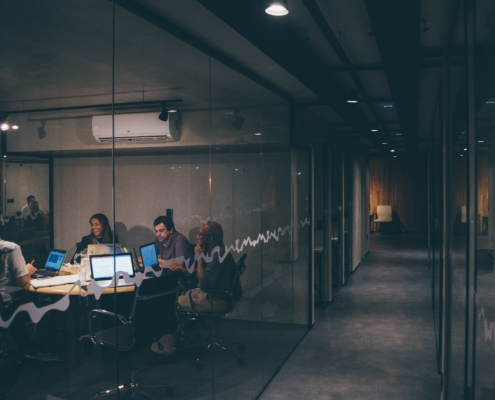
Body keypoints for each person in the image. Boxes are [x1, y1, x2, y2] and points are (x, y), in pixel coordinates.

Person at [148, 221, 236, 361]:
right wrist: (185, 270)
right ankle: (179, 337)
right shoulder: (217, 251)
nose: (197, 237)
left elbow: (204, 284)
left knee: (170, 304)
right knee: (177, 297)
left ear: (210, 239)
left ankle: (167, 350)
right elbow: (206, 275)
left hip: (216, 299)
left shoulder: (216, 255)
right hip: (214, 295)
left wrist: (200, 257)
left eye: (200, 234)